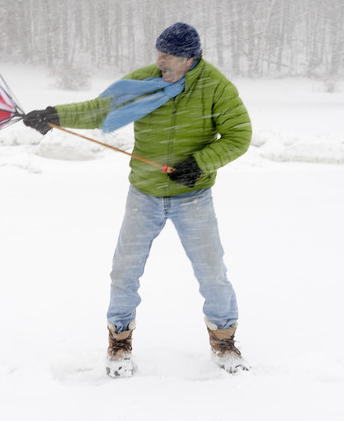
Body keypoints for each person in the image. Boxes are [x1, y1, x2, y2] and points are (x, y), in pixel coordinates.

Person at [23, 22, 252, 378]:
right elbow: (99, 109)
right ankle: (120, 341)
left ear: (190, 58)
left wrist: (198, 164)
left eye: (168, 55)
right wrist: (54, 116)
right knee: (124, 271)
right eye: (158, 52)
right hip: (144, 193)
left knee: (212, 273)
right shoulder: (145, 80)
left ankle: (223, 342)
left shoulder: (215, 87)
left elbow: (239, 135)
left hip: (193, 197)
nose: (159, 59)